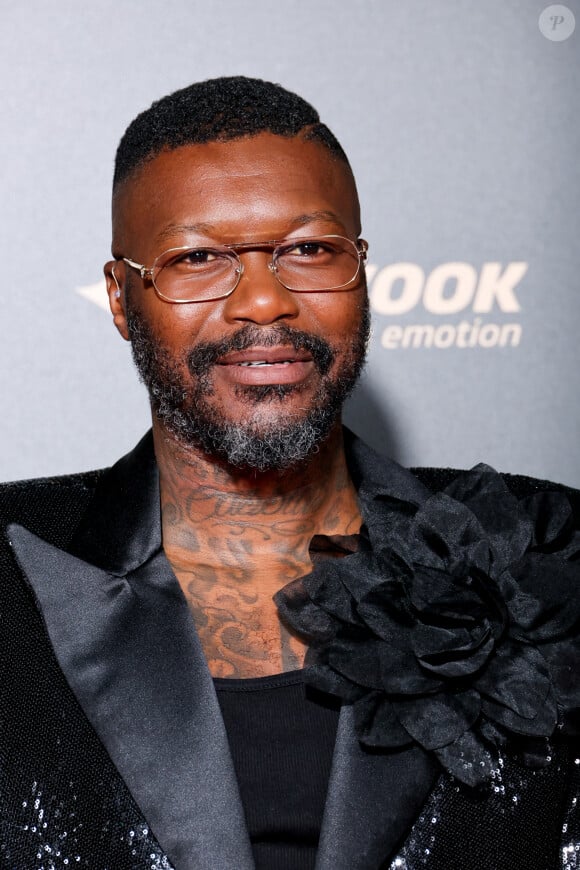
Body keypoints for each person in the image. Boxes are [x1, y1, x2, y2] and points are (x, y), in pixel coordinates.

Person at [1, 77, 579, 870]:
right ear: (120, 297)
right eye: (198, 258)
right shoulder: (13, 569)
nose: (266, 302)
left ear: (362, 269)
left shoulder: (541, 545)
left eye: (310, 249)